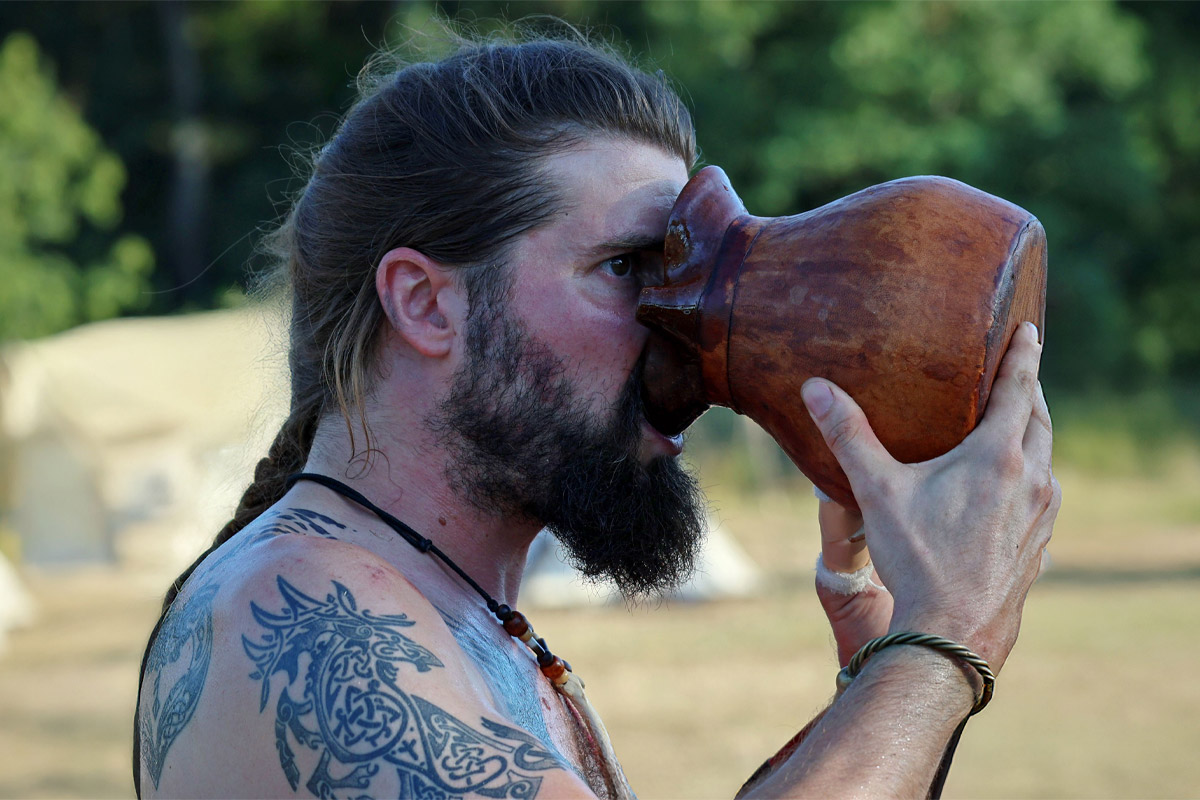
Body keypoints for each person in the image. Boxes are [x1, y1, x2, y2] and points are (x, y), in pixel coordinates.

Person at [133, 31, 1060, 800]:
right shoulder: (306, 613)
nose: (684, 333)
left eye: (681, 266)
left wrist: (883, 680)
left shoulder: (454, 614)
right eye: (625, 268)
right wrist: (941, 644)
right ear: (425, 304)